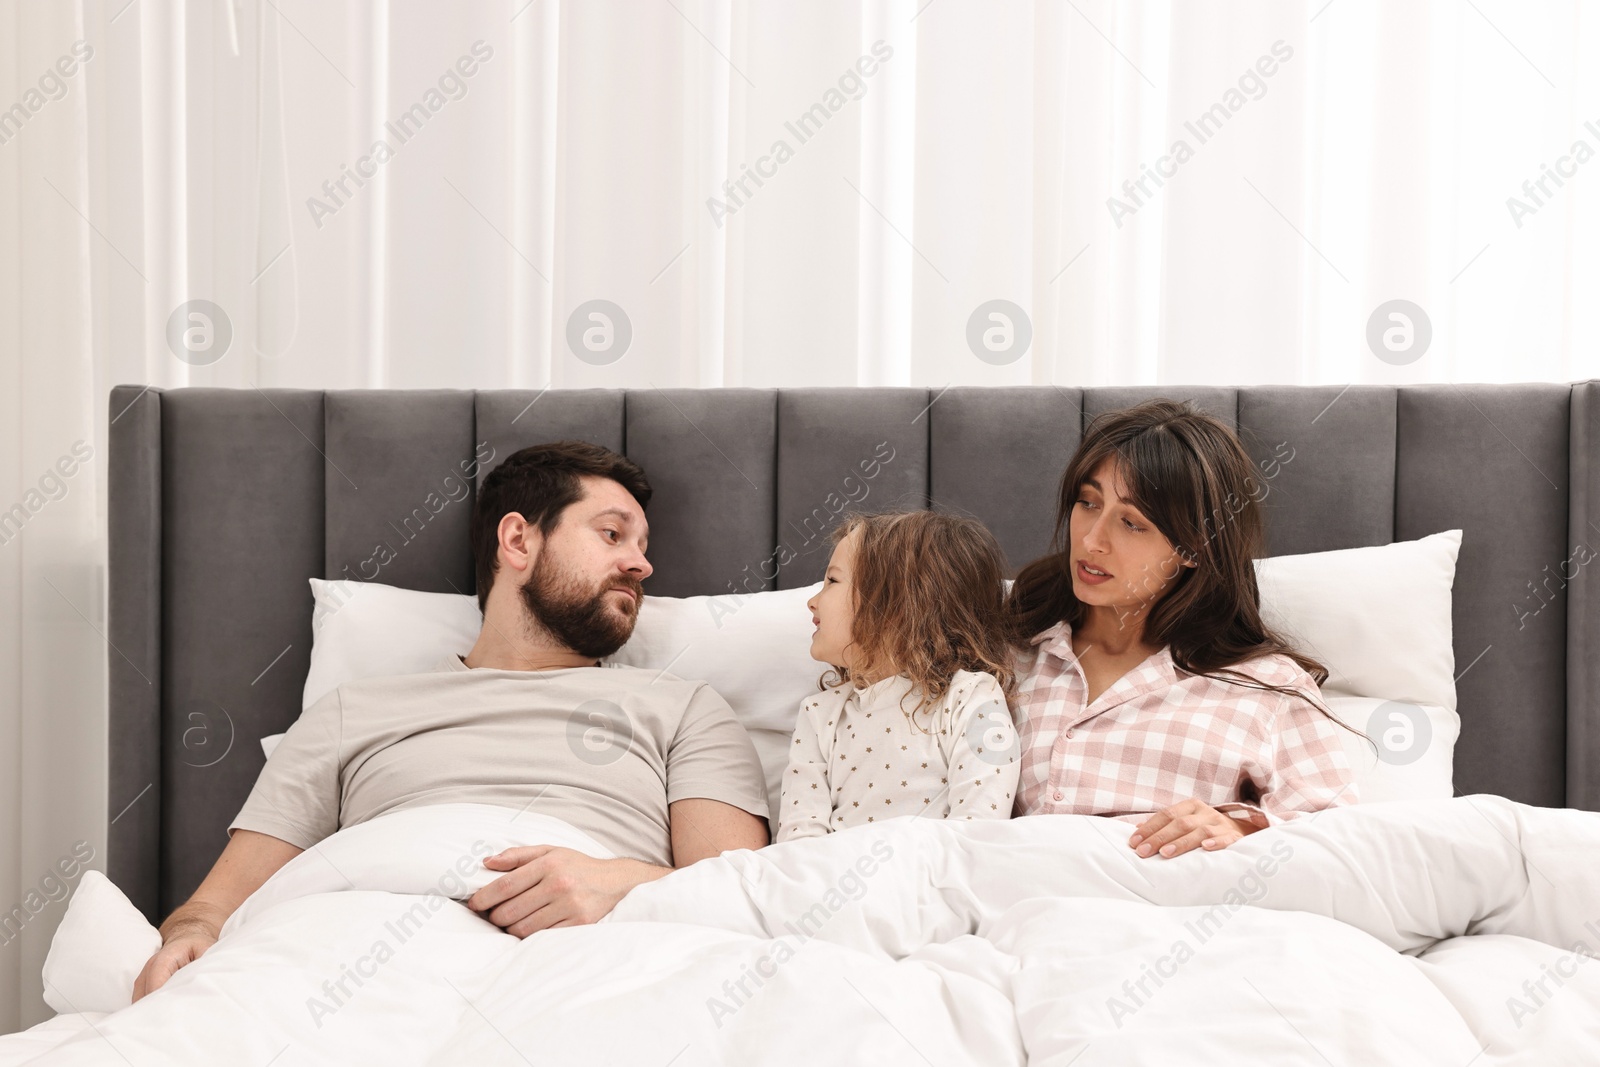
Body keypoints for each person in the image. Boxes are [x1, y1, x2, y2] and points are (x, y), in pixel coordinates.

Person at [132, 441, 770, 1000]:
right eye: (612, 534)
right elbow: (212, 908)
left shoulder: (682, 707)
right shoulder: (355, 711)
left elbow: (741, 897)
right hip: (348, 960)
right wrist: (188, 941)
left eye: (642, 546)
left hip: (582, 964)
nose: (641, 564)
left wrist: (617, 883)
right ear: (518, 539)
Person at [1006, 400, 1358, 859]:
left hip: (1168, 909)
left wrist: (1242, 830)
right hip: (1015, 905)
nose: (1092, 540)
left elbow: (1341, 843)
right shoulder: (1006, 657)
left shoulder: (1268, 687)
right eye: (1088, 503)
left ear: (1194, 548)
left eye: (1132, 523)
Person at [776, 511, 1020, 842]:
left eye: (832, 581)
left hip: (931, 882)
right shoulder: (820, 715)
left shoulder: (972, 697)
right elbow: (797, 842)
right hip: (833, 883)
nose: (812, 601)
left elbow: (978, 830)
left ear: (897, 604)